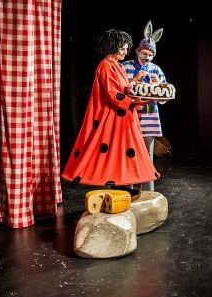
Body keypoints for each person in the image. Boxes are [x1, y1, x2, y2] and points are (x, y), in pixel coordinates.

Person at [62, 29, 157, 191]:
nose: (126, 52)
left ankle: (122, 185)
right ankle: (116, 186)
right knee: (113, 151)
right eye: (123, 49)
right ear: (113, 46)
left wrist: (144, 94)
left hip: (123, 117)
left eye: (126, 49)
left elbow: (125, 88)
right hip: (113, 118)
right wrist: (135, 99)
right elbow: (114, 95)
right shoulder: (105, 66)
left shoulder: (117, 66)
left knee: (122, 151)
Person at [122, 21, 167, 191]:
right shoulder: (125, 66)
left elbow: (164, 95)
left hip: (149, 115)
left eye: (150, 54)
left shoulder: (156, 69)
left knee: (147, 155)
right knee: (129, 153)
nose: (146, 57)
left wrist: (158, 84)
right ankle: (129, 190)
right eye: (144, 53)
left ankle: (148, 192)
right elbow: (118, 89)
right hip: (129, 115)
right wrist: (133, 80)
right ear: (137, 51)